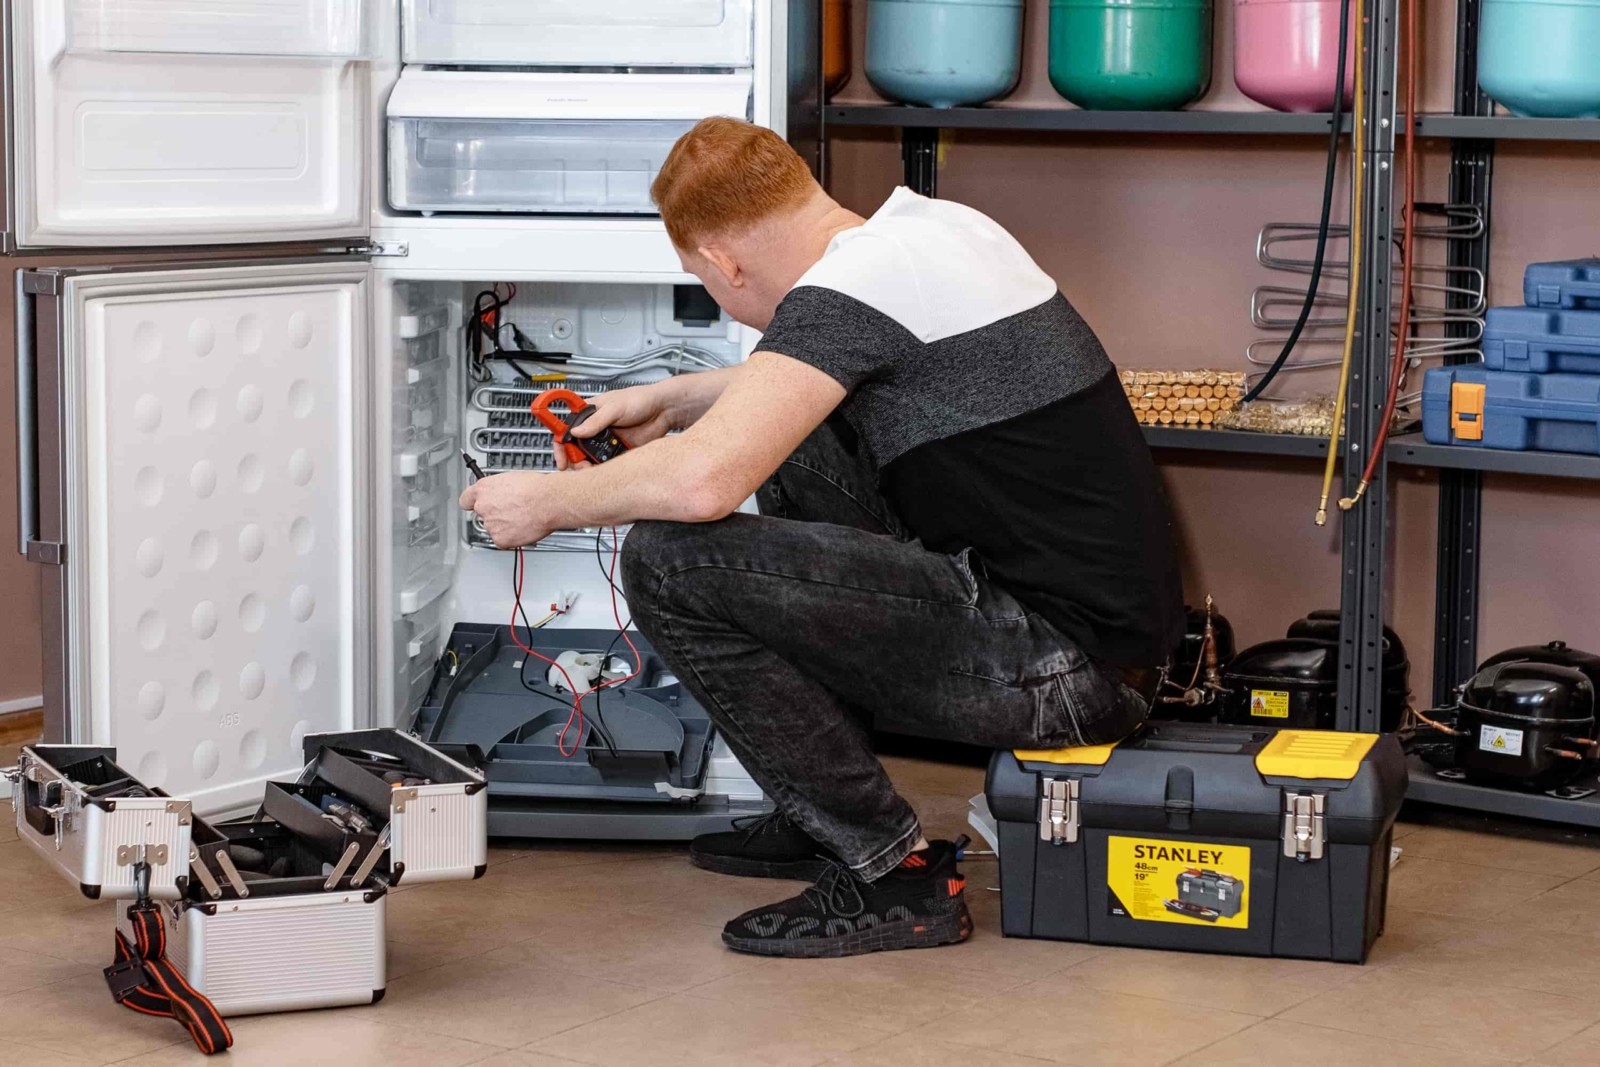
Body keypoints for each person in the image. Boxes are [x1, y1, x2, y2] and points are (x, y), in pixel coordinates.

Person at [459, 117, 1183, 959]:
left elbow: (703, 483)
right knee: (792, 432)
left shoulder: (850, 291)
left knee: (668, 563)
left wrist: (550, 500)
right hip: (1102, 638)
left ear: (725, 262)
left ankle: (889, 868)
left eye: (704, 280)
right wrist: (676, 400)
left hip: (1071, 677)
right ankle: (823, 815)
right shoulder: (927, 232)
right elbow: (819, 373)